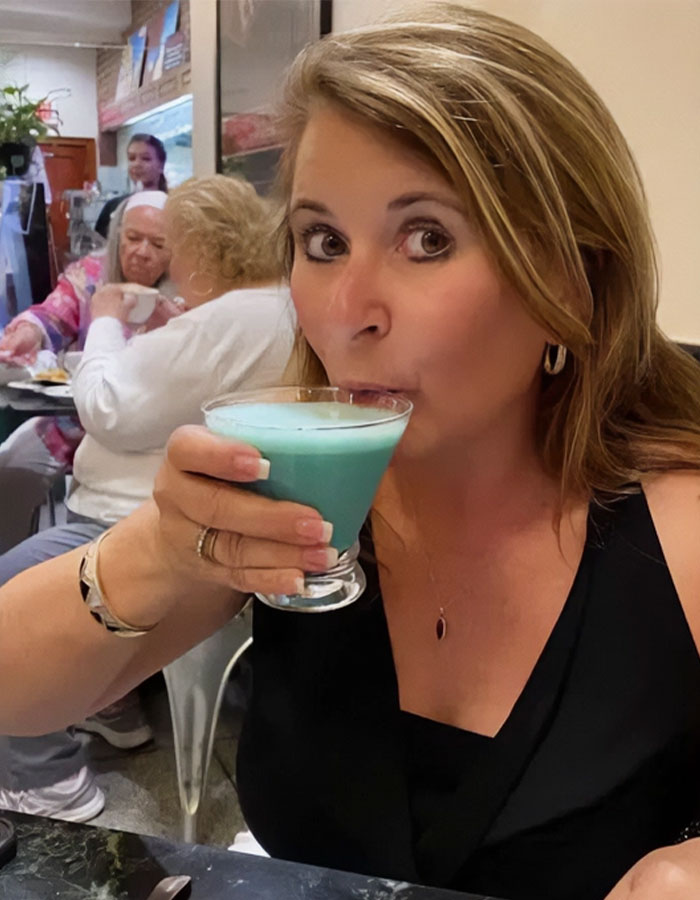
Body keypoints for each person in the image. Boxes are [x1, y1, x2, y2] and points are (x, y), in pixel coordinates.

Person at [1, 4, 700, 897]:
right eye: (322, 242)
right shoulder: (299, 500)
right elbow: (12, 695)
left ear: (569, 276)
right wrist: (156, 551)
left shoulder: (678, 531)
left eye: (427, 238)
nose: (346, 308)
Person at [0, 174, 293, 823]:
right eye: (133, 238)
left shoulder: (223, 315)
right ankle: (108, 703)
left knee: (13, 596)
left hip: (129, 517)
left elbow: (109, 408)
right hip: (154, 508)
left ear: (194, 246)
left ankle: (46, 780)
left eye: (165, 243)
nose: (150, 253)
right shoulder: (255, 307)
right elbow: (52, 315)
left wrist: (106, 323)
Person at [0, 191, 176, 483]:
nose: (142, 252)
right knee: (9, 470)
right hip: (73, 421)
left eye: (158, 244)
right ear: (117, 237)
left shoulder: (182, 292)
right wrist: (28, 332)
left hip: (148, 438)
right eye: (133, 238)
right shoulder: (92, 275)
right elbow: (53, 313)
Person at [95, 134, 167, 240]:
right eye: (132, 158)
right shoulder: (113, 207)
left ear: (161, 165)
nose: (137, 164)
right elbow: (99, 247)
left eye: (146, 159)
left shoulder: (170, 206)